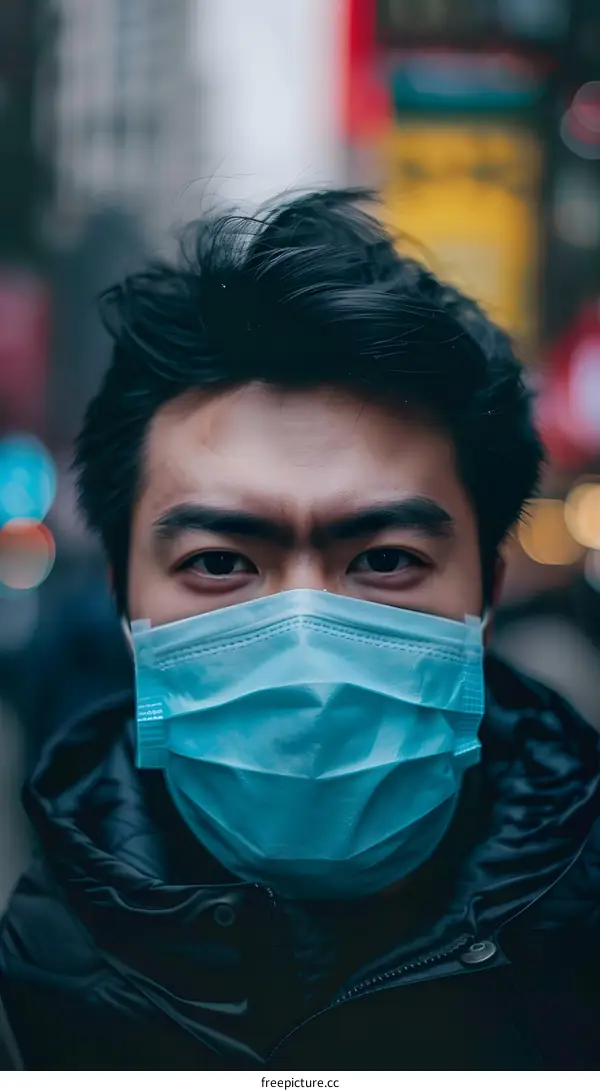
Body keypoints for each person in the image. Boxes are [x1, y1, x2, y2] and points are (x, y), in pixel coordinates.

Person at [1, 189, 599, 1071]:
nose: (309, 644)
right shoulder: (24, 1018)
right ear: (128, 609)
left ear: (488, 597)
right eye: (220, 563)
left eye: (386, 560)